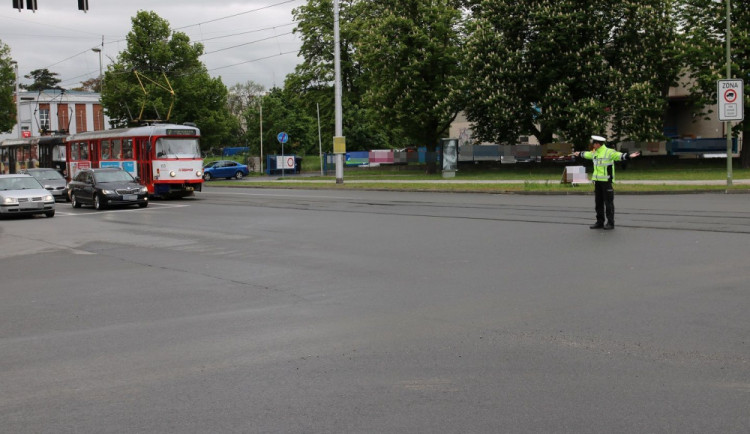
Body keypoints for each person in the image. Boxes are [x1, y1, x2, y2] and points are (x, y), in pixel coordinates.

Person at [573, 135, 641, 230]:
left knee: (608, 203)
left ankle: (610, 223)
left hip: (606, 182)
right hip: (597, 182)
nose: (592, 145)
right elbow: (588, 154)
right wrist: (579, 153)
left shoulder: (609, 152)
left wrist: (628, 156)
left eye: (594, 143)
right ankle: (600, 222)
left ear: (598, 144)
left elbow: (618, 156)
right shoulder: (595, 152)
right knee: (598, 203)